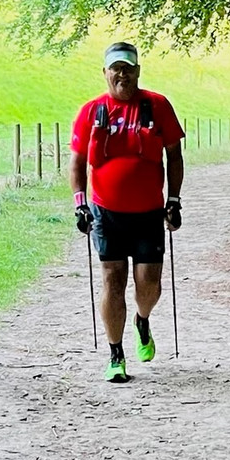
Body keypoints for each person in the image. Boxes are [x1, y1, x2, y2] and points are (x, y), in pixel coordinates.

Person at [70, 41, 185, 383]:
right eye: (115, 68)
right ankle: (115, 352)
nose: (122, 74)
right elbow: (76, 161)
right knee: (113, 280)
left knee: (149, 284)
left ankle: (142, 319)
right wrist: (80, 203)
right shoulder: (92, 111)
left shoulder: (157, 105)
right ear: (105, 72)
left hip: (149, 212)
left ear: (138, 71)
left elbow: (174, 156)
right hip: (106, 213)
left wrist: (174, 200)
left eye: (128, 68)